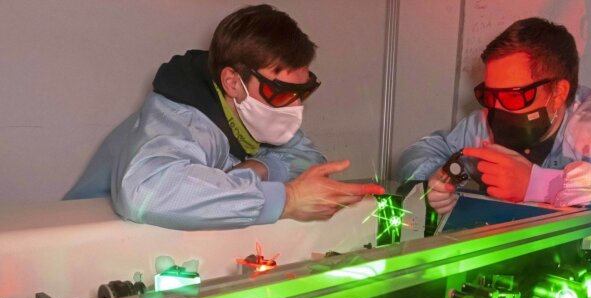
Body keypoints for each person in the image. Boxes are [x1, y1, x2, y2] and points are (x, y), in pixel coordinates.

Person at [65, 4, 383, 230]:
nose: (294, 106)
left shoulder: (254, 113)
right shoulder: (181, 117)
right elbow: (148, 191)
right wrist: (287, 199)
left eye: (303, 91)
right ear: (233, 82)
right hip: (83, 237)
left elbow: (308, 158)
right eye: (281, 91)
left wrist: (261, 167)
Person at [396, 17, 591, 218]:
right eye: (490, 94)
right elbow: (422, 150)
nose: (498, 109)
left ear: (557, 92)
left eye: (514, 96)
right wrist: (434, 180)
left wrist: (544, 185)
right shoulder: (483, 125)